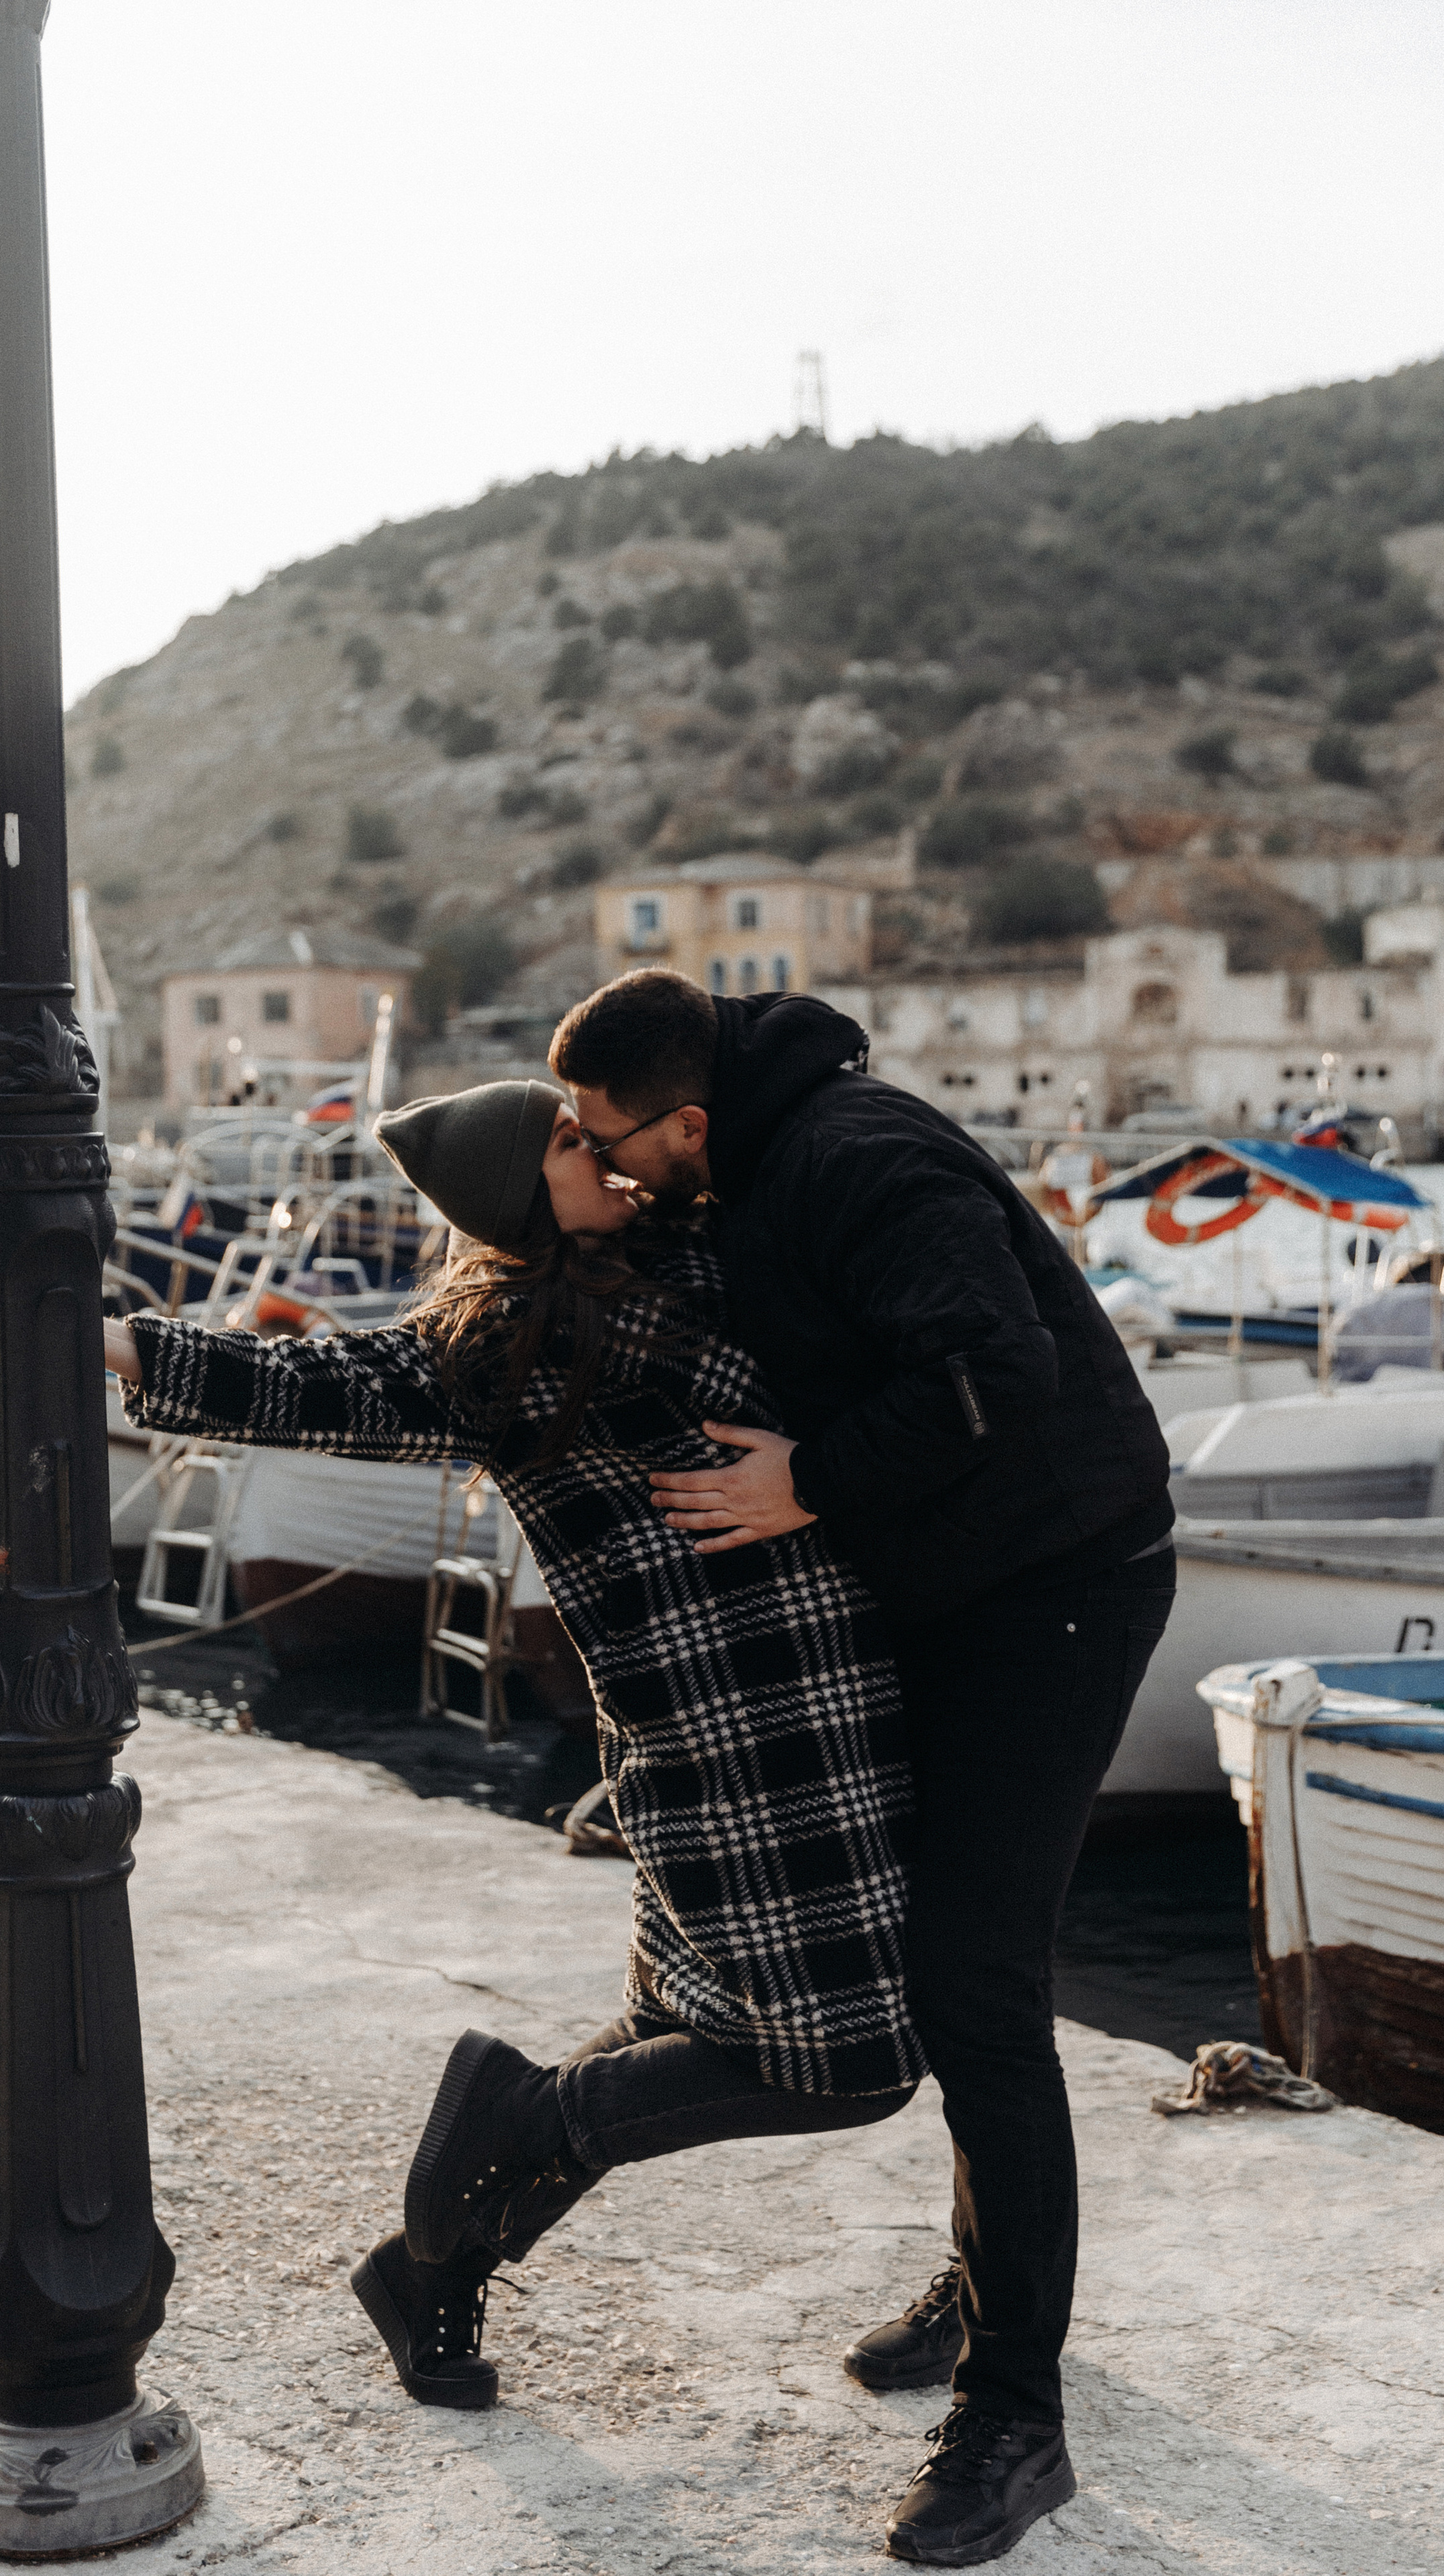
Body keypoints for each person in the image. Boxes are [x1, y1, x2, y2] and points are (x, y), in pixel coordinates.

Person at [0, 1085, 924, 2438]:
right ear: (520, 1198)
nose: (606, 1156)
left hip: (844, 1720)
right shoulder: (494, 1347)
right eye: (572, 1148)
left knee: (675, 2036)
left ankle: (428, 2274)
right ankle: (503, 2120)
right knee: (850, 2066)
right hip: (722, 1755)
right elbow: (308, 1382)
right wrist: (109, 1343)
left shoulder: (708, 1257)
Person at [549, 971, 1176, 2568]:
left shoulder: (855, 1155)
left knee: (976, 1991)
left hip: (1057, 1582)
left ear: (686, 1119)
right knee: (942, 1971)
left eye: (614, 1146)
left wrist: (808, 1482)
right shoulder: (742, 1161)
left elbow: (992, 1374)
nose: (608, 1169)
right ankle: (986, 2297)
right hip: (951, 1583)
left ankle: (1014, 2419)